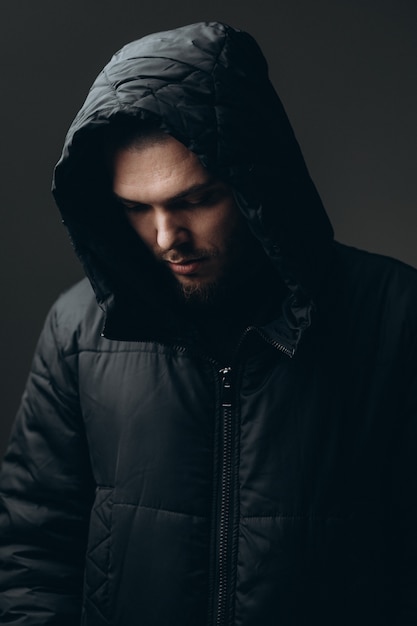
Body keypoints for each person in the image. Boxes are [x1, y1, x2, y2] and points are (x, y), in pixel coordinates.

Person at [0, 20, 416, 626]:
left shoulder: (395, 315)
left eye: (194, 200)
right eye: (136, 209)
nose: (167, 238)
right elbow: (32, 556)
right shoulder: (77, 330)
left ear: (255, 185)